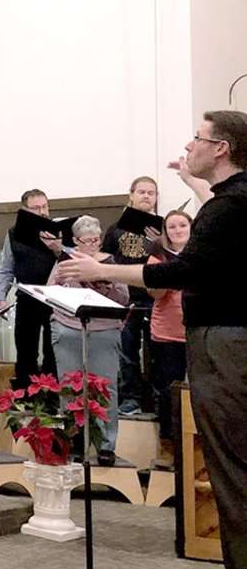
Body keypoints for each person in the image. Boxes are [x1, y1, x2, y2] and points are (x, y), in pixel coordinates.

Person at [57, 111, 247, 569]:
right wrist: (189, 182)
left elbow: (184, 270)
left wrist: (101, 270)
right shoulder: (233, 202)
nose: (189, 145)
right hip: (228, 339)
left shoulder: (231, 205)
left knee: (232, 465)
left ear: (223, 148)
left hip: (226, 342)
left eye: (198, 139)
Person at [47, 215, 128, 466]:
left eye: (96, 240)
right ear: (75, 241)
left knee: (105, 388)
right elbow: (49, 294)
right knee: (71, 387)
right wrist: (60, 283)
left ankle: (106, 445)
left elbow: (123, 297)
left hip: (104, 329)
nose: (93, 245)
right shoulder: (65, 262)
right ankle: (72, 441)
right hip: (69, 328)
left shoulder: (111, 263)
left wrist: (108, 284)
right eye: (87, 241)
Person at [102, 176, 160, 416]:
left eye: (151, 193)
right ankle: (131, 399)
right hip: (126, 299)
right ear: (131, 195)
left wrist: (160, 243)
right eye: (142, 192)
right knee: (127, 352)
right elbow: (105, 260)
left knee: (158, 354)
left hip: (156, 298)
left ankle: (160, 401)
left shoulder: (163, 228)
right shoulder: (115, 229)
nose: (146, 196)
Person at [0, 189, 64, 389]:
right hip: (26, 299)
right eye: (36, 208)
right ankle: (25, 398)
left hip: (55, 299)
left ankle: (52, 398)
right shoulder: (14, 234)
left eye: (45, 207)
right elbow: (7, 269)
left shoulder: (59, 231)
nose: (42, 212)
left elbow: (74, 261)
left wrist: (57, 248)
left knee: (53, 352)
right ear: (24, 210)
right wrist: (1, 297)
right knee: (26, 352)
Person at [145, 209, 191, 471]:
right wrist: (169, 272)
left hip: (195, 332)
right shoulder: (157, 258)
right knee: (166, 394)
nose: (177, 231)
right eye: (171, 227)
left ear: (190, 227)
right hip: (166, 335)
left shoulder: (201, 254)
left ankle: (198, 446)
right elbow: (154, 293)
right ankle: (168, 446)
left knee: (200, 393)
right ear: (165, 232)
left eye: (182, 225)